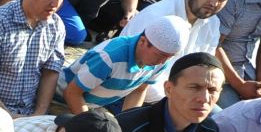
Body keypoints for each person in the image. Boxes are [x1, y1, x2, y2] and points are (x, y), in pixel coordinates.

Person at [59, 16, 188, 112]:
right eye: (160, 55)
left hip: (93, 105)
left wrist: (128, 123)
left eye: (169, 57)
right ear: (143, 41)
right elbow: (72, 93)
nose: (162, 62)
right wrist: (86, 124)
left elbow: (139, 90)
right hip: (64, 99)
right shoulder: (109, 58)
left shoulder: (161, 59)